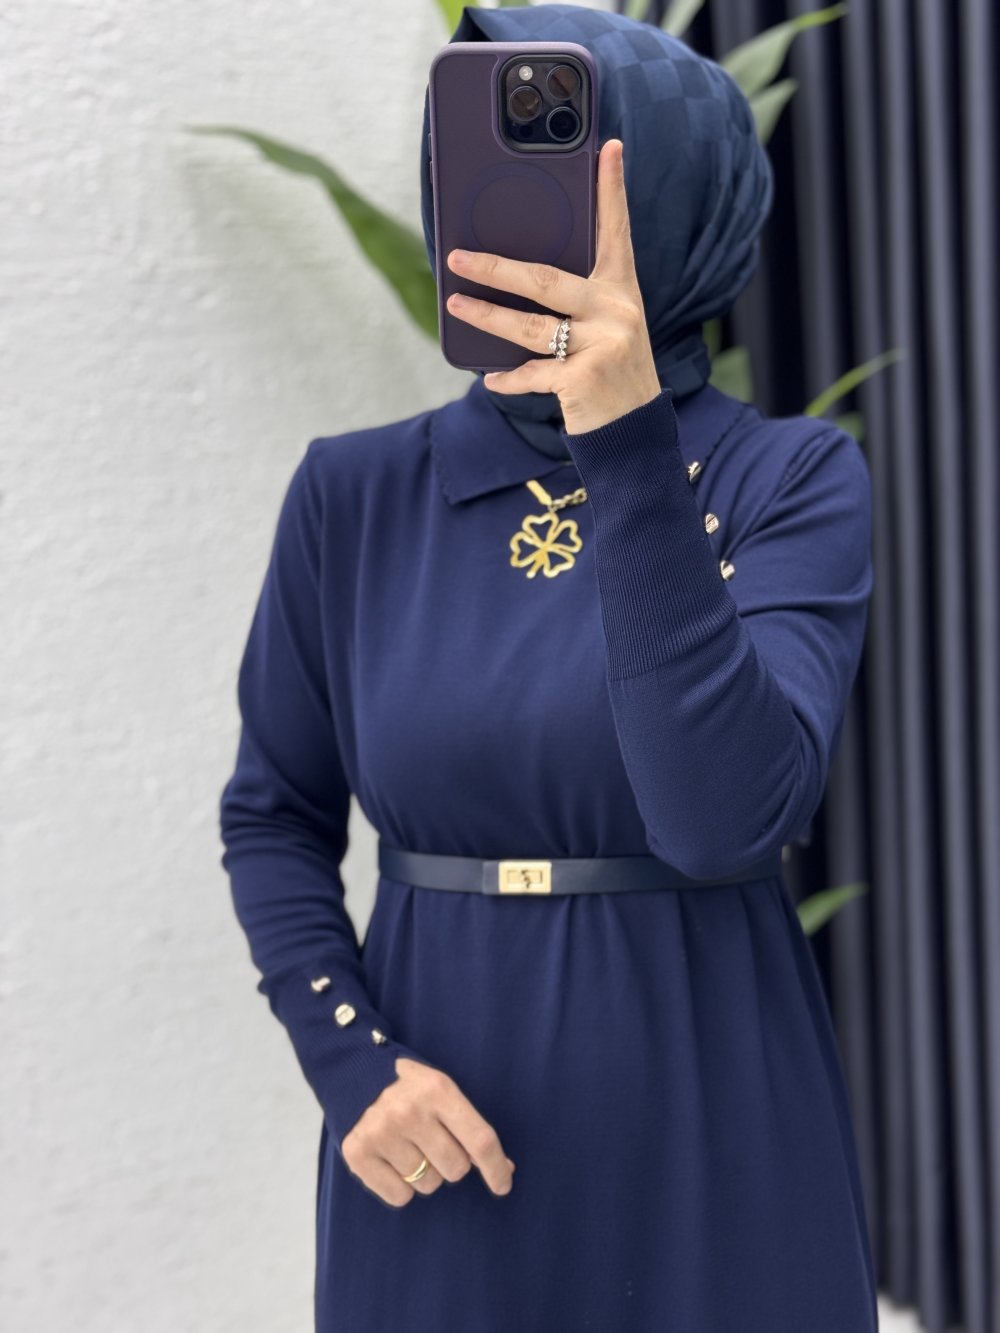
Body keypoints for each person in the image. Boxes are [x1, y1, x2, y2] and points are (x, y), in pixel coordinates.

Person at [217, 6, 878, 1330]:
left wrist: (625, 443)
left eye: (572, 176)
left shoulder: (789, 479)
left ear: (674, 199)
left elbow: (723, 815)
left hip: (712, 1121)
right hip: (438, 1139)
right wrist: (354, 1066)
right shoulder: (353, 496)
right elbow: (273, 814)